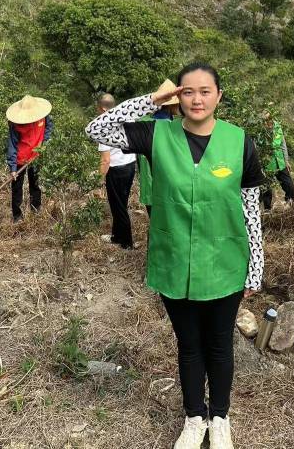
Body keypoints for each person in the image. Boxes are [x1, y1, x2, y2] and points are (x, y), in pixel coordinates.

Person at [85, 62, 264, 449]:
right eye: (187, 91)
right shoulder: (155, 134)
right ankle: (194, 417)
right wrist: (152, 99)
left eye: (205, 91)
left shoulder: (240, 142)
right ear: (176, 96)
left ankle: (220, 418)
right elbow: (96, 130)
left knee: (218, 343)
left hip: (225, 261)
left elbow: (251, 209)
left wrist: (256, 267)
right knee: (188, 344)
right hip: (174, 259)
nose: (196, 99)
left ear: (219, 96)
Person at [95, 93, 137, 250]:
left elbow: (105, 160)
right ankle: (117, 235)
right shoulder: (128, 117)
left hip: (116, 169)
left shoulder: (104, 126)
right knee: (121, 203)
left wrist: (99, 182)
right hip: (130, 165)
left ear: (104, 107)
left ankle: (126, 243)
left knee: (118, 206)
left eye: (99, 109)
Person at [137, 79, 181, 218]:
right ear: (172, 105)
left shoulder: (143, 124)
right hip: (172, 189)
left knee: (155, 224)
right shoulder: (177, 127)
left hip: (149, 187)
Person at [6, 95, 53, 223]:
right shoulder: (16, 124)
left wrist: (44, 143)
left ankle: (36, 210)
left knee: (35, 185)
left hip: (36, 157)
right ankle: (17, 217)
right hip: (20, 159)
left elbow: (49, 128)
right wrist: (13, 168)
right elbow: (12, 144)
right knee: (17, 188)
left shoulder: (43, 116)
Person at [261, 112, 294, 210]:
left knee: (289, 185)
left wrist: (286, 160)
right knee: (266, 190)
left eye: (269, 118)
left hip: (280, 162)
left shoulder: (277, 126)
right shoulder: (260, 130)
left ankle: (290, 205)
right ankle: (267, 209)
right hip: (267, 164)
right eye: (266, 119)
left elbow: (282, 144)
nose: (268, 121)